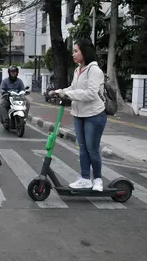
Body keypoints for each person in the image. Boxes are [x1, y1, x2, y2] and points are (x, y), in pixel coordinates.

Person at [50, 39, 106, 192]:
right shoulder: (77, 70)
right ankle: (85, 179)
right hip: (79, 114)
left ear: (85, 52)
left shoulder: (94, 71)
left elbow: (90, 93)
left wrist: (67, 94)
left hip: (94, 115)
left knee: (92, 149)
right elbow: (73, 88)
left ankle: (98, 179)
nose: (73, 54)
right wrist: (60, 91)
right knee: (82, 148)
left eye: (76, 51)